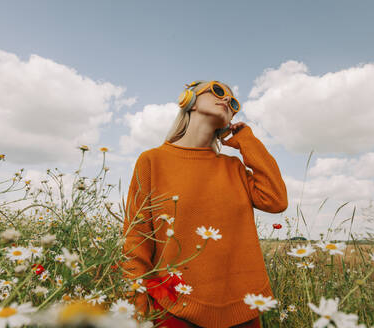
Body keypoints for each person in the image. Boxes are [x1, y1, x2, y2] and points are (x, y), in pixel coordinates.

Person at [121, 80, 288, 328]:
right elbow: (136, 239)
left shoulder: (234, 168)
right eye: (218, 91)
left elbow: (276, 200)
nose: (226, 101)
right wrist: (135, 308)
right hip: (173, 310)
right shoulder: (152, 161)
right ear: (188, 99)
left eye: (233, 103)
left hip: (243, 309)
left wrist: (246, 140)